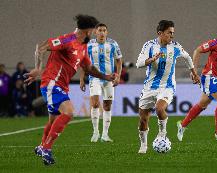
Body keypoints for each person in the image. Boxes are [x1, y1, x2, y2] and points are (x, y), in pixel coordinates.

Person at [24, 15, 115, 165]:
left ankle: (41, 147)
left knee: (53, 120)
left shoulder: (83, 46)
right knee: (69, 111)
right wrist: (38, 68)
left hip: (62, 86)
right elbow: (41, 47)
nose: (93, 33)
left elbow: (89, 68)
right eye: (93, 30)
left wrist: (106, 77)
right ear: (88, 30)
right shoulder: (68, 40)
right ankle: (46, 148)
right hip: (52, 83)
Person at [136, 20, 199, 154]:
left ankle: (162, 133)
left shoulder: (175, 47)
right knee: (143, 119)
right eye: (169, 32)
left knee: (159, 108)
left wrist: (193, 72)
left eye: (173, 33)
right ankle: (143, 145)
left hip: (167, 86)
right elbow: (139, 63)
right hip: (149, 87)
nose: (172, 35)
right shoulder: (149, 45)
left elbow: (187, 57)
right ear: (160, 33)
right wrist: (151, 60)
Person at [80, 23, 122, 142]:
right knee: (95, 103)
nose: (102, 32)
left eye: (104, 30)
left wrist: (118, 76)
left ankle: (105, 134)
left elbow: (119, 61)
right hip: (95, 78)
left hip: (109, 78)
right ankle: (95, 132)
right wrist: (82, 79)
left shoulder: (113, 44)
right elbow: (83, 63)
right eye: (100, 30)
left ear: (107, 32)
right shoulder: (89, 45)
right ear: (95, 32)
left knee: (107, 106)